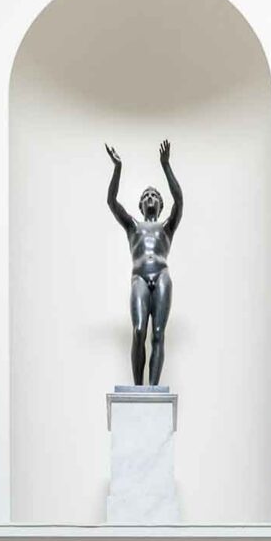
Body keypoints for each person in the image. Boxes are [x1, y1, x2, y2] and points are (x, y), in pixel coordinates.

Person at [105, 139, 183, 386]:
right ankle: (138, 390)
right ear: (141, 205)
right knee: (139, 330)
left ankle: (153, 389)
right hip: (139, 276)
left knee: (158, 334)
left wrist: (166, 166)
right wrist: (118, 168)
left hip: (161, 275)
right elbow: (112, 202)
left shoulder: (166, 227)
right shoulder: (133, 227)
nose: (150, 198)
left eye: (154, 196)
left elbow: (180, 202)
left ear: (160, 205)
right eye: (146, 196)